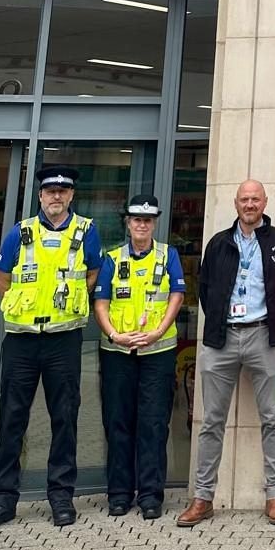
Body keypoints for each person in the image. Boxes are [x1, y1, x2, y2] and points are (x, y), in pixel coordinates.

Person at [0, 165, 103, 532]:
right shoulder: (20, 232)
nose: (56, 197)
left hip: (64, 340)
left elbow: (91, 275)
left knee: (64, 418)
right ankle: (3, 500)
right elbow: (1, 282)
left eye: (63, 191)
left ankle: (61, 496)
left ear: (71, 196)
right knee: (13, 418)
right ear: (41, 196)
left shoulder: (87, 233)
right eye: (50, 191)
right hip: (22, 341)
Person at [177, 179, 275, 527]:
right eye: (244, 199)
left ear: (265, 202)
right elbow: (205, 288)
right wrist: (220, 320)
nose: (250, 204)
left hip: (264, 336)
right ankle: (202, 498)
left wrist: (271, 319)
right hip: (222, 339)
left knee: (274, 420)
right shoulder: (218, 243)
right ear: (236, 203)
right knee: (211, 421)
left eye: (255, 199)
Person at [92, 194, 186, 520]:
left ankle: (150, 496)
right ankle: (119, 494)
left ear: (154, 223)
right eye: (136, 219)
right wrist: (114, 335)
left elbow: (177, 294)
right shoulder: (112, 258)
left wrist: (159, 330)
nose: (142, 224)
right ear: (128, 223)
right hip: (118, 351)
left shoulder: (168, 255)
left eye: (147, 220)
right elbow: (100, 303)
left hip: (157, 352)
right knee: (118, 422)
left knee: (153, 423)